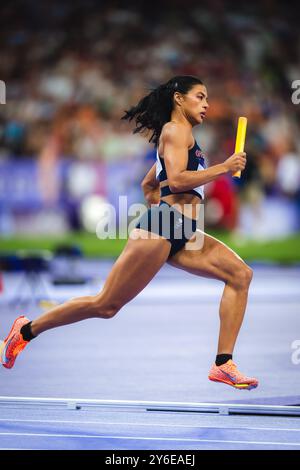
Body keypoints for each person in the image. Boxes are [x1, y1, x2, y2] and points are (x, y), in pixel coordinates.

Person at [0, 75, 258, 390]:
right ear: (178, 98)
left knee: (240, 275)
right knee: (106, 305)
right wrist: (221, 169)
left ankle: (223, 364)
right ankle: (25, 330)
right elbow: (175, 181)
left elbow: (150, 183)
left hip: (182, 229)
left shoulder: (184, 138)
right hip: (164, 226)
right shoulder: (175, 130)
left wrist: (167, 209)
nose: (207, 104)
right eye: (200, 96)